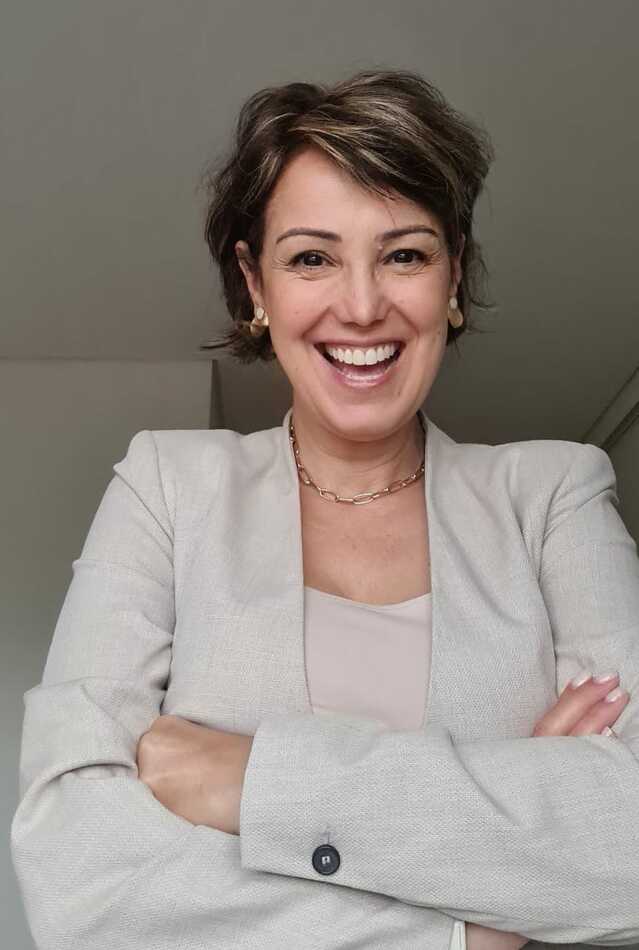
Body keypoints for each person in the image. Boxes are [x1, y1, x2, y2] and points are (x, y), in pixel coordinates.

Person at [11, 69, 638, 950]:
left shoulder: (553, 497)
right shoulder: (166, 488)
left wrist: (255, 781)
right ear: (255, 284)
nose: (361, 305)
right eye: (311, 257)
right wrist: (472, 930)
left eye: (404, 254)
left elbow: (627, 845)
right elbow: (76, 872)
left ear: (452, 276)